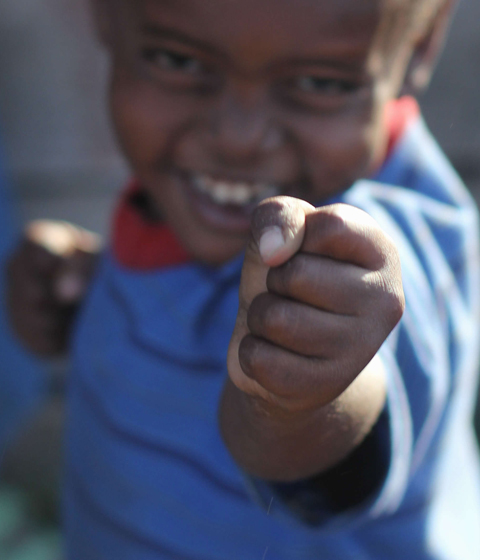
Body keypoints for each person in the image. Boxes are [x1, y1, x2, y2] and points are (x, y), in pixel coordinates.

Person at [8, 0, 480, 558]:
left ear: (422, 43)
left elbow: (324, 456)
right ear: (107, 14)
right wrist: (94, 294)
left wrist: (291, 400)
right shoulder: (185, 199)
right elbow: (184, 302)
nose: (239, 136)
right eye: (177, 61)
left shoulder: (368, 256)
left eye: (317, 82)